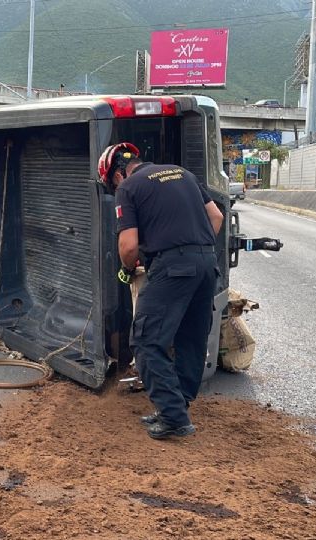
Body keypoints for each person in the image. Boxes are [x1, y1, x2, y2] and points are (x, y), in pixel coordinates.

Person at [98, 142, 224, 439]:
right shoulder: (183, 174)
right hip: (206, 264)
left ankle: (173, 418)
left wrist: (128, 269)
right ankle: (177, 405)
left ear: (117, 174)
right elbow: (216, 217)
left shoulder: (128, 188)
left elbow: (128, 246)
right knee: (191, 338)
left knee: (145, 340)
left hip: (172, 268)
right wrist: (196, 249)